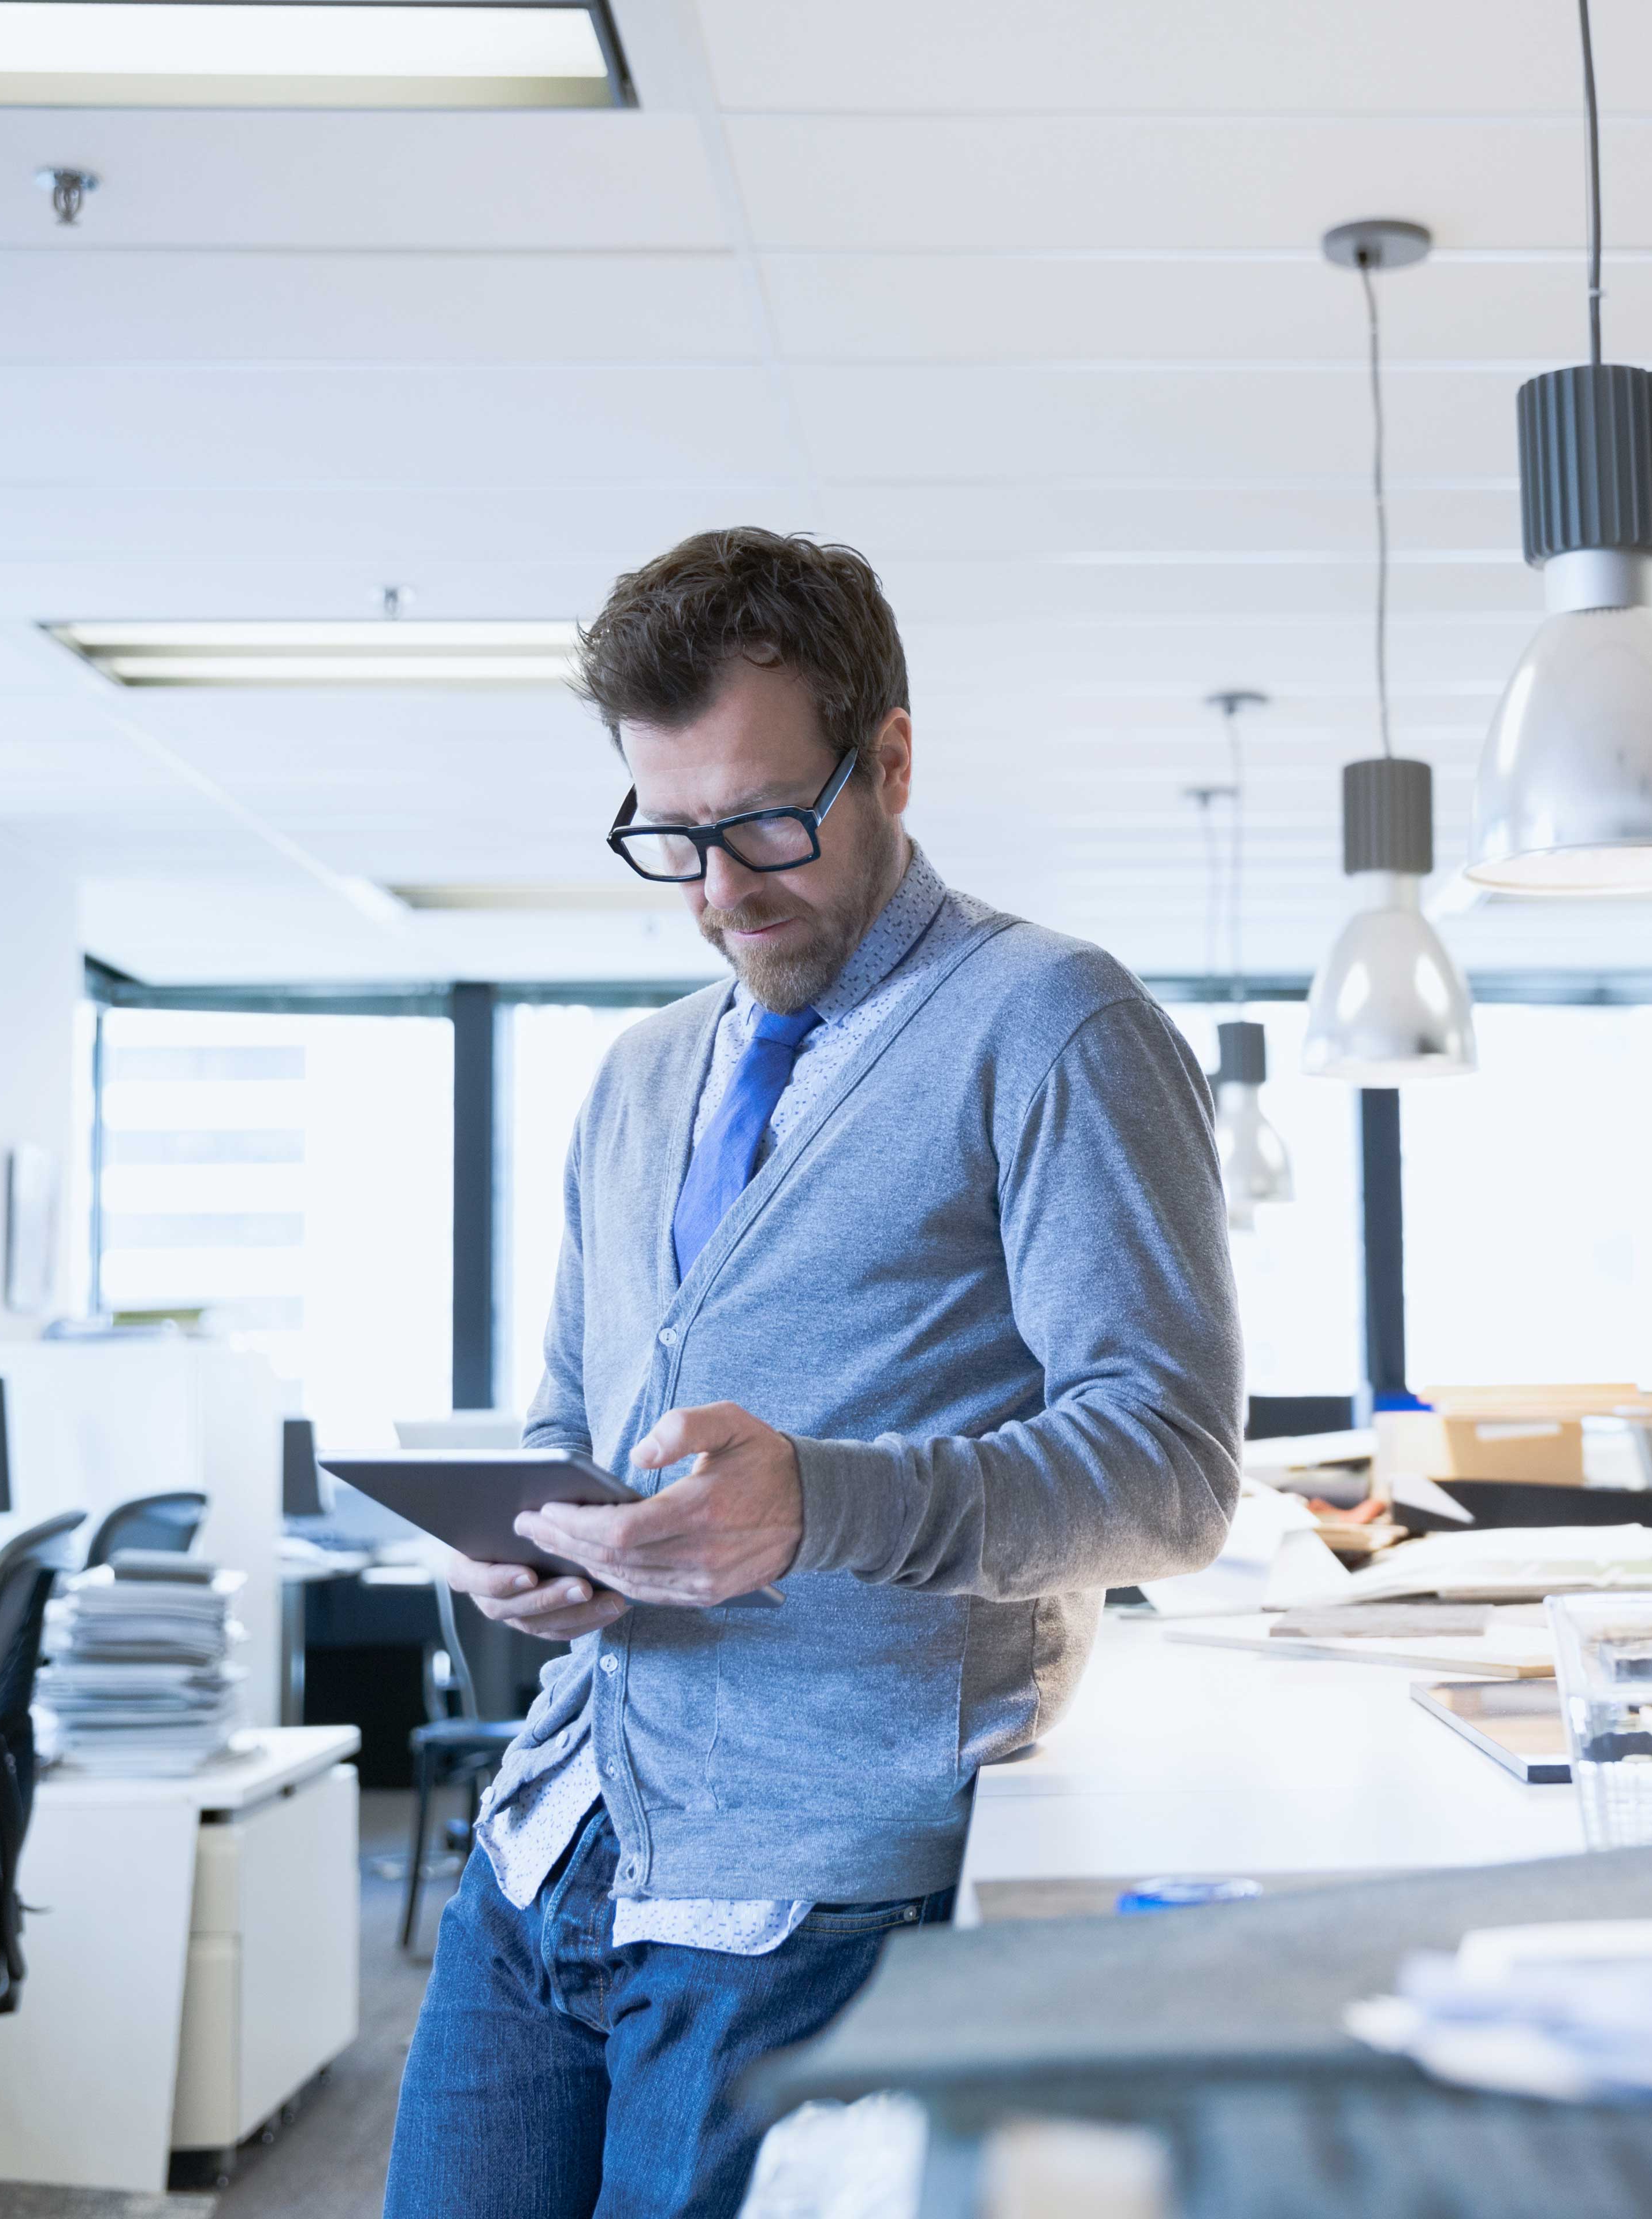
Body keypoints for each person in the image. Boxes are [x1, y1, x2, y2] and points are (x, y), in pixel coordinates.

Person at [382, 528, 1242, 2219]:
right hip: (552, 1842)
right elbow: (574, 1416)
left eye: (765, 821)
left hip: (812, 1889)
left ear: (892, 760)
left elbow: (1169, 1475)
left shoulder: (1051, 1023)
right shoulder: (637, 1079)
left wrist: (821, 1502)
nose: (719, 888)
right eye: (672, 836)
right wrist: (540, 1547)